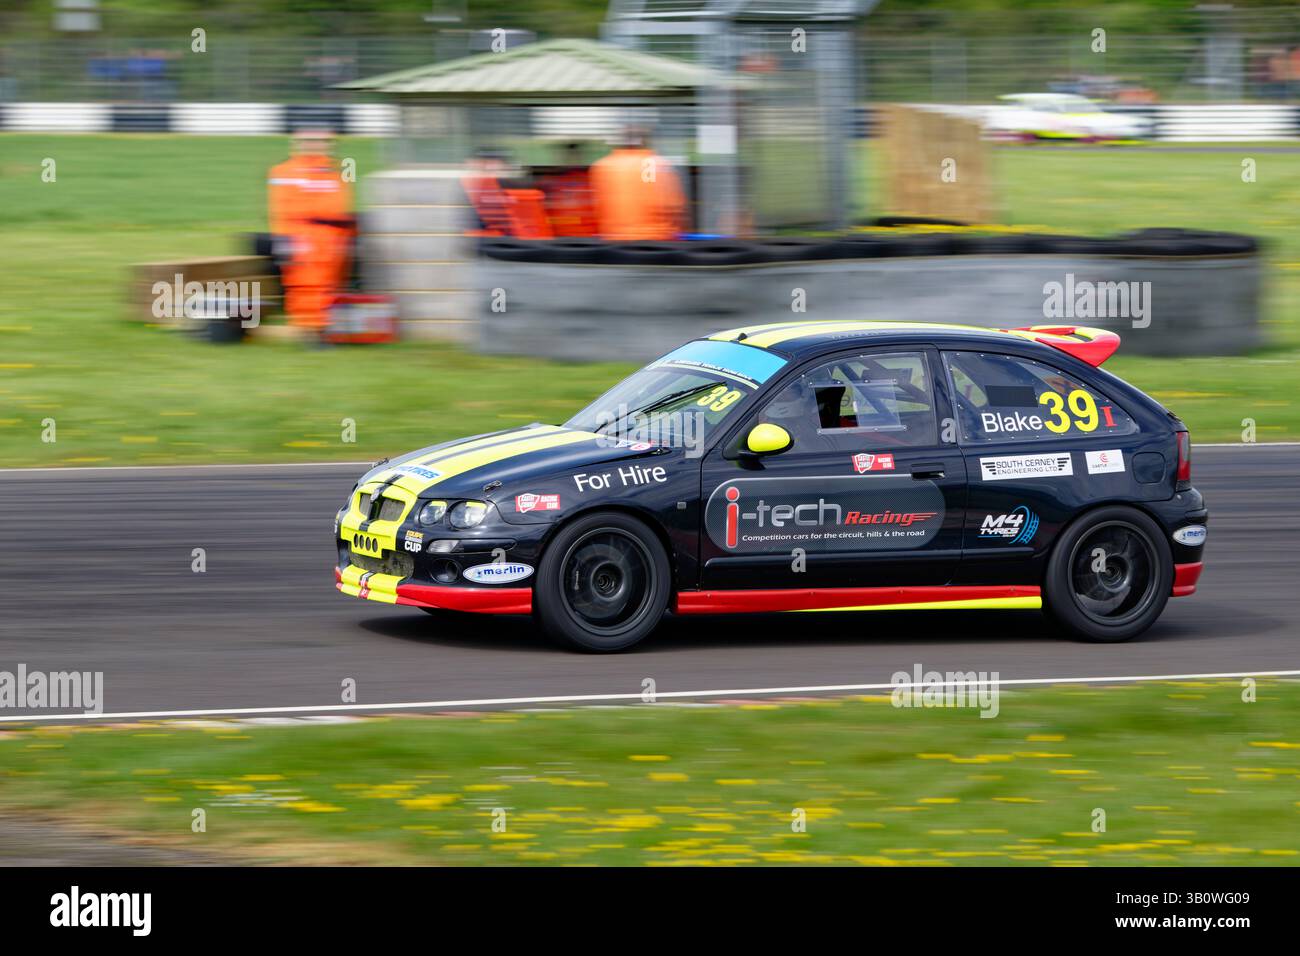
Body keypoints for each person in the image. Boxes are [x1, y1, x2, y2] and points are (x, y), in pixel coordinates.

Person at [267, 129, 355, 335]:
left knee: (330, 283)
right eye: (310, 141)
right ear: (297, 144)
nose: (315, 145)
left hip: (333, 238)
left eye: (322, 141)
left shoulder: (340, 169)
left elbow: (345, 200)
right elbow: (278, 208)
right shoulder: (283, 171)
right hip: (303, 237)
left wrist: (346, 235)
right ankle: (310, 330)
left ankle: (326, 326)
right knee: (306, 284)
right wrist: (283, 238)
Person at [589, 125, 686, 241]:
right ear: (645, 141)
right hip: (653, 242)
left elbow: (596, 208)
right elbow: (672, 206)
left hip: (614, 243)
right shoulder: (653, 164)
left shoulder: (603, 167)